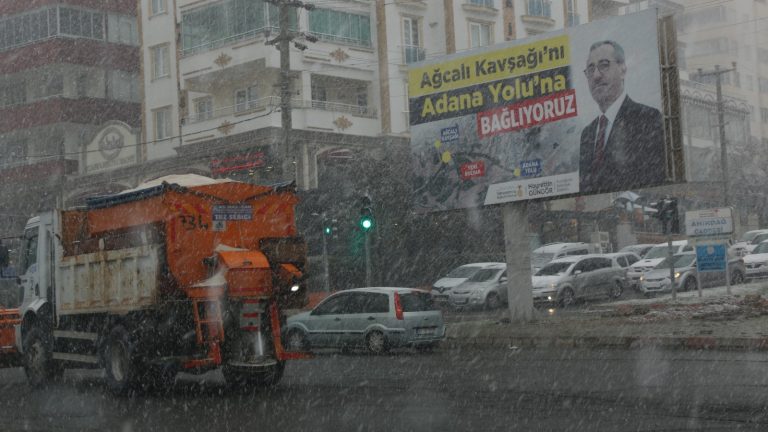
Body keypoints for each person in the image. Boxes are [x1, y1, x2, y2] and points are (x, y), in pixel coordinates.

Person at [579, 40, 666, 194]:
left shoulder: (647, 118)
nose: (596, 75)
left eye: (604, 65)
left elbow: (653, 181)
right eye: (590, 69)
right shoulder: (587, 133)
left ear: (622, 69)